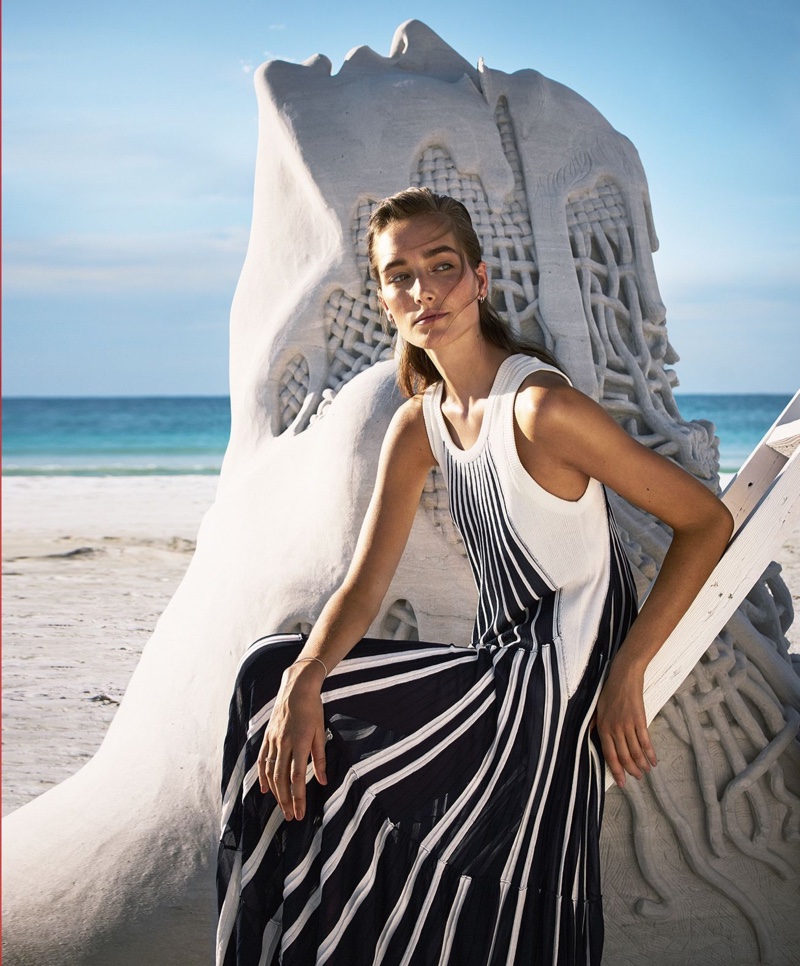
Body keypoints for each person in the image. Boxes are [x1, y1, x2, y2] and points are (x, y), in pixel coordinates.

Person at [216, 187, 733, 966]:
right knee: (269, 680)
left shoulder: (538, 410)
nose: (422, 292)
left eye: (442, 267)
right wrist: (306, 677)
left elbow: (707, 522)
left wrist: (628, 670)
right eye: (400, 277)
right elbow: (362, 588)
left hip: (554, 682)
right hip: (500, 668)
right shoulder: (418, 424)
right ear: (383, 298)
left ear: (481, 281)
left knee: (380, 817)